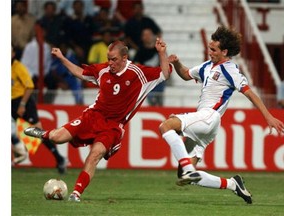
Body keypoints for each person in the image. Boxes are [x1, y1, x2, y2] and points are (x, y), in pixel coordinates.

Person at [24, 38, 171, 202]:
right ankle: (44, 134)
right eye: (108, 59)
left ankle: (76, 194)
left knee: (95, 155)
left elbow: (164, 73)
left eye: (114, 59)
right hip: (93, 116)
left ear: (124, 58)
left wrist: (162, 52)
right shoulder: (103, 70)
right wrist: (62, 58)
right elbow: (80, 73)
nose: (110, 63)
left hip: (113, 126)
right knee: (57, 138)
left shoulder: (139, 73)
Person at [159, 26, 284, 204]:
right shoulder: (207, 66)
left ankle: (188, 169)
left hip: (209, 117)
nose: (209, 52)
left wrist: (268, 116)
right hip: (205, 122)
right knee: (186, 174)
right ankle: (233, 184)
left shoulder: (230, 69)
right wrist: (177, 63)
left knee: (165, 126)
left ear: (224, 51)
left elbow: (249, 92)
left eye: (213, 50)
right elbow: (187, 75)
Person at [11, 45, 67, 174]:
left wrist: (22, 105)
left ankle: (59, 159)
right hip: (10, 103)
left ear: (13, 54)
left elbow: (30, 86)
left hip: (23, 102)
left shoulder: (18, 67)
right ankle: (19, 154)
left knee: (38, 133)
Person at [134, 28, 166, 106]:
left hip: (159, 79)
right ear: (142, 37)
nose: (147, 37)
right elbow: (136, 64)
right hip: (147, 80)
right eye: (145, 35)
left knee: (159, 100)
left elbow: (165, 61)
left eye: (149, 34)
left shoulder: (158, 49)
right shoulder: (140, 51)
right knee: (151, 101)